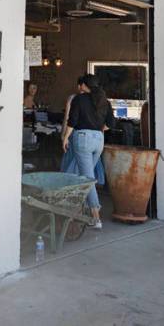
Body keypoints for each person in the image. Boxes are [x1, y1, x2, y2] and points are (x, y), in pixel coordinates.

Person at [62, 73, 116, 228]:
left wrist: (66, 138)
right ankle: (79, 208)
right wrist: (98, 129)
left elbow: (72, 121)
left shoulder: (79, 99)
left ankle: (96, 217)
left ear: (85, 85)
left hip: (83, 138)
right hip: (99, 139)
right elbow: (111, 123)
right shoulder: (104, 101)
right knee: (85, 175)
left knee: (87, 178)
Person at [60, 77, 105, 184]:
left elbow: (68, 118)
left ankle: (75, 189)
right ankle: (82, 191)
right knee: (87, 170)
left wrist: (64, 134)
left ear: (81, 86)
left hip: (78, 134)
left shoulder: (75, 98)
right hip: (98, 138)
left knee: (77, 168)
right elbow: (106, 122)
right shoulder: (100, 99)